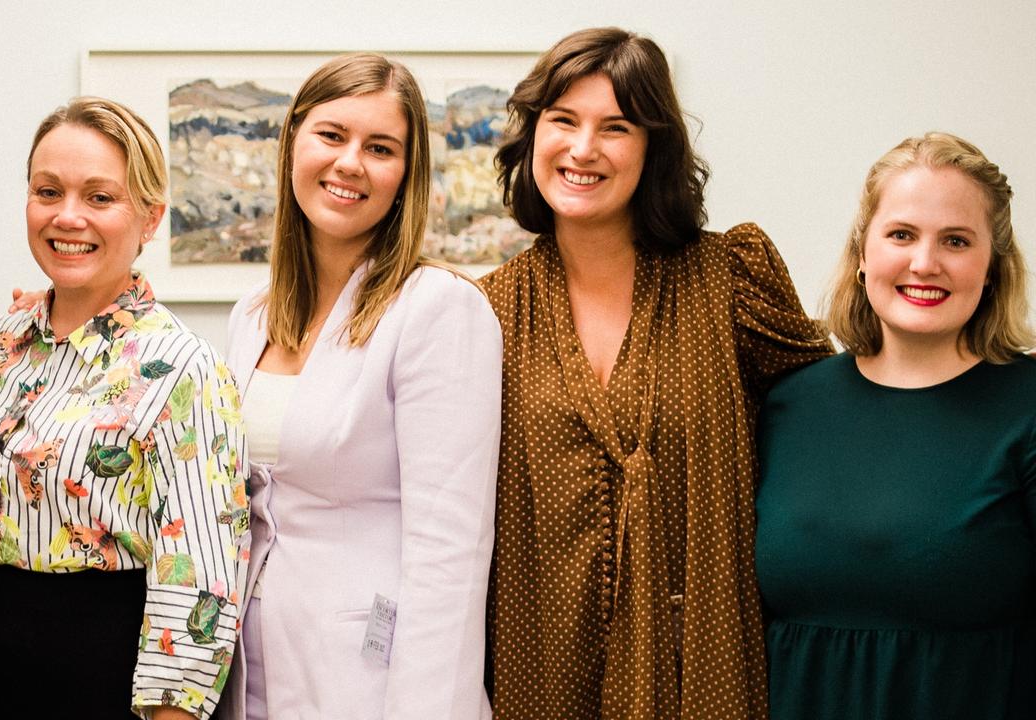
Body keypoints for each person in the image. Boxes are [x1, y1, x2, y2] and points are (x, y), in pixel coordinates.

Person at [482, 28, 833, 719]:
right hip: (542, 670)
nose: (583, 149)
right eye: (563, 121)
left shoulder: (731, 280)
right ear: (532, 137)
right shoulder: (485, 314)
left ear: (653, 147)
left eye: (615, 127)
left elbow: (829, 432)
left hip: (705, 666)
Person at [0, 97, 247, 720]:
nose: (68, 216)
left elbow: (200, 580)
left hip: (106, 671)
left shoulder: (184, 367)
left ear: (150, 218)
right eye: (48, 191)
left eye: (100, 197)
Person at [222, 53, 502, 719]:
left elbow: (450, 555)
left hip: (372, 680)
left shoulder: (437, 309)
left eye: (380, 148)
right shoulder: (251, 315)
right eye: (332, 135)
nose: (351, 163)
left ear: (406, 175)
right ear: (293, 140)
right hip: (248, 668)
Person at [756, 132, 1036, 719]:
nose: (924, 262)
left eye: (956, 241)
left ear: (991, 268)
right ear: (862, 254)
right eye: (901, 234)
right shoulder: (784, 404)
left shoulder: (1026, 406)